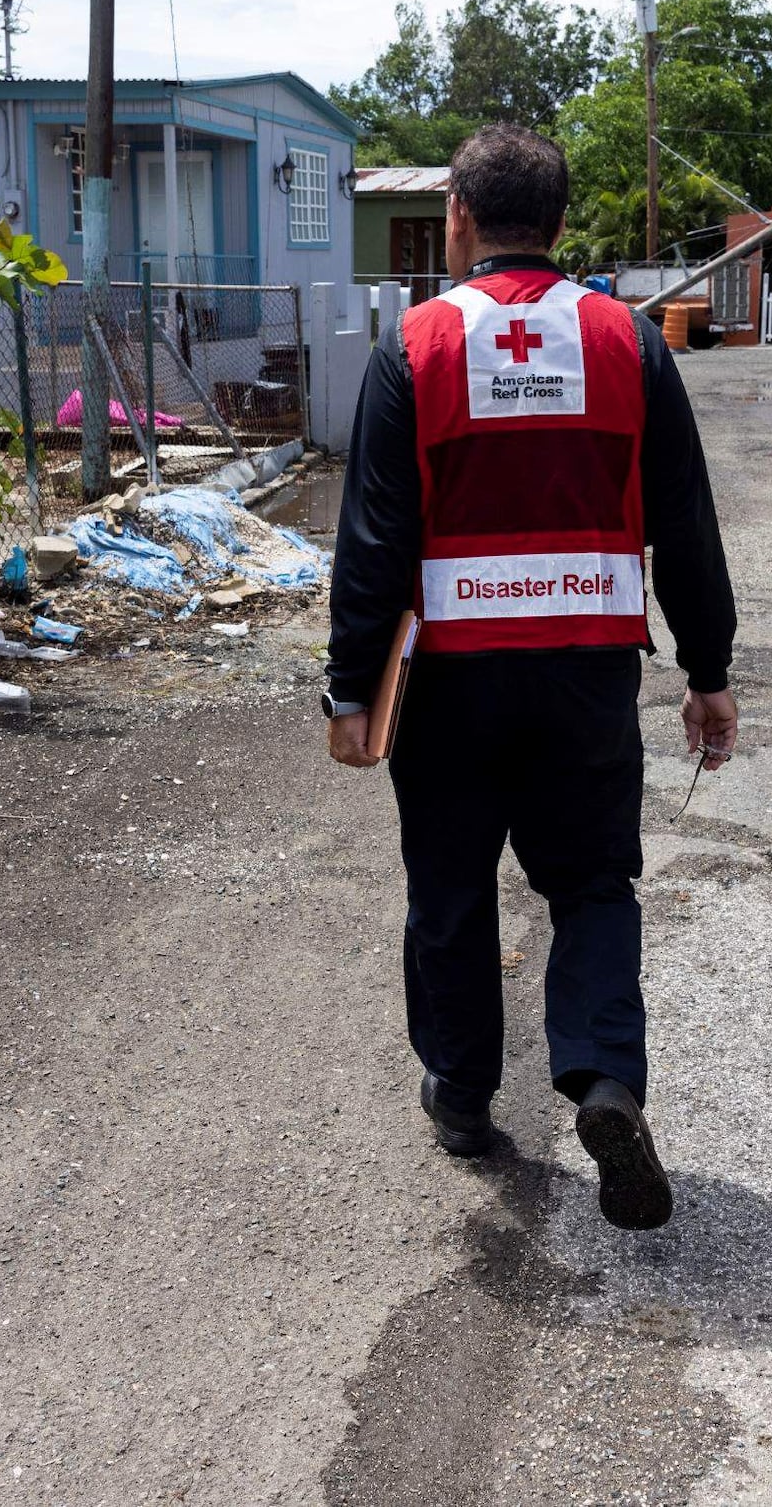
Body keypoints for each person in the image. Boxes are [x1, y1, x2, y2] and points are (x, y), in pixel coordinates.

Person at [322, 123, 738, 1232]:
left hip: (449, 682)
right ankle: (603, 1079)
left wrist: (348, 687)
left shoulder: (415, 346)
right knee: (593, 885)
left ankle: (461, 1097)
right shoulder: (627, 343)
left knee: (450, 893)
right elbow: (685, 523)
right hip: (586, 677)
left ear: (459, 214)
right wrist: (709, 670)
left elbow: (372, 538)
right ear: (560, 224)